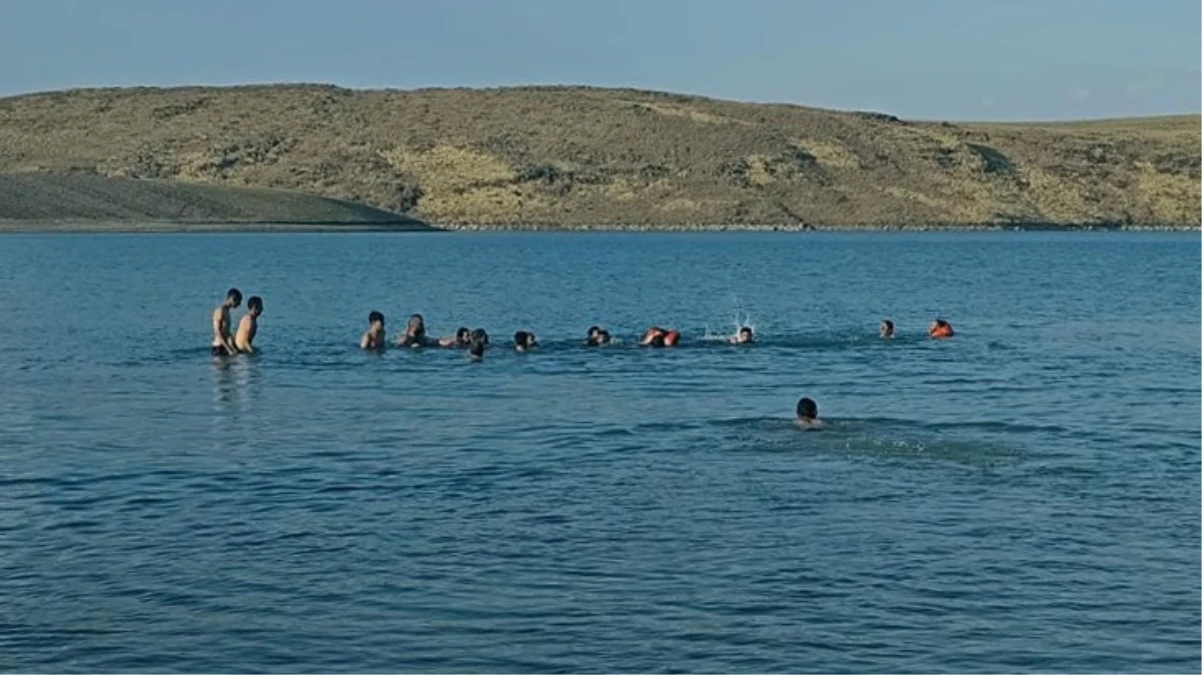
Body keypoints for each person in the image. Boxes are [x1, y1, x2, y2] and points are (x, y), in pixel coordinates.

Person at [211, 288, 242, 357]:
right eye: (239, 302)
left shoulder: (227, 311)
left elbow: (227, 331)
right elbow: (217, 332)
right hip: (218, 348)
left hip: (225, 346)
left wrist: (234, 346)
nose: (239, 305)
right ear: (233, 299)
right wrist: (229, 350)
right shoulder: (220, 311)